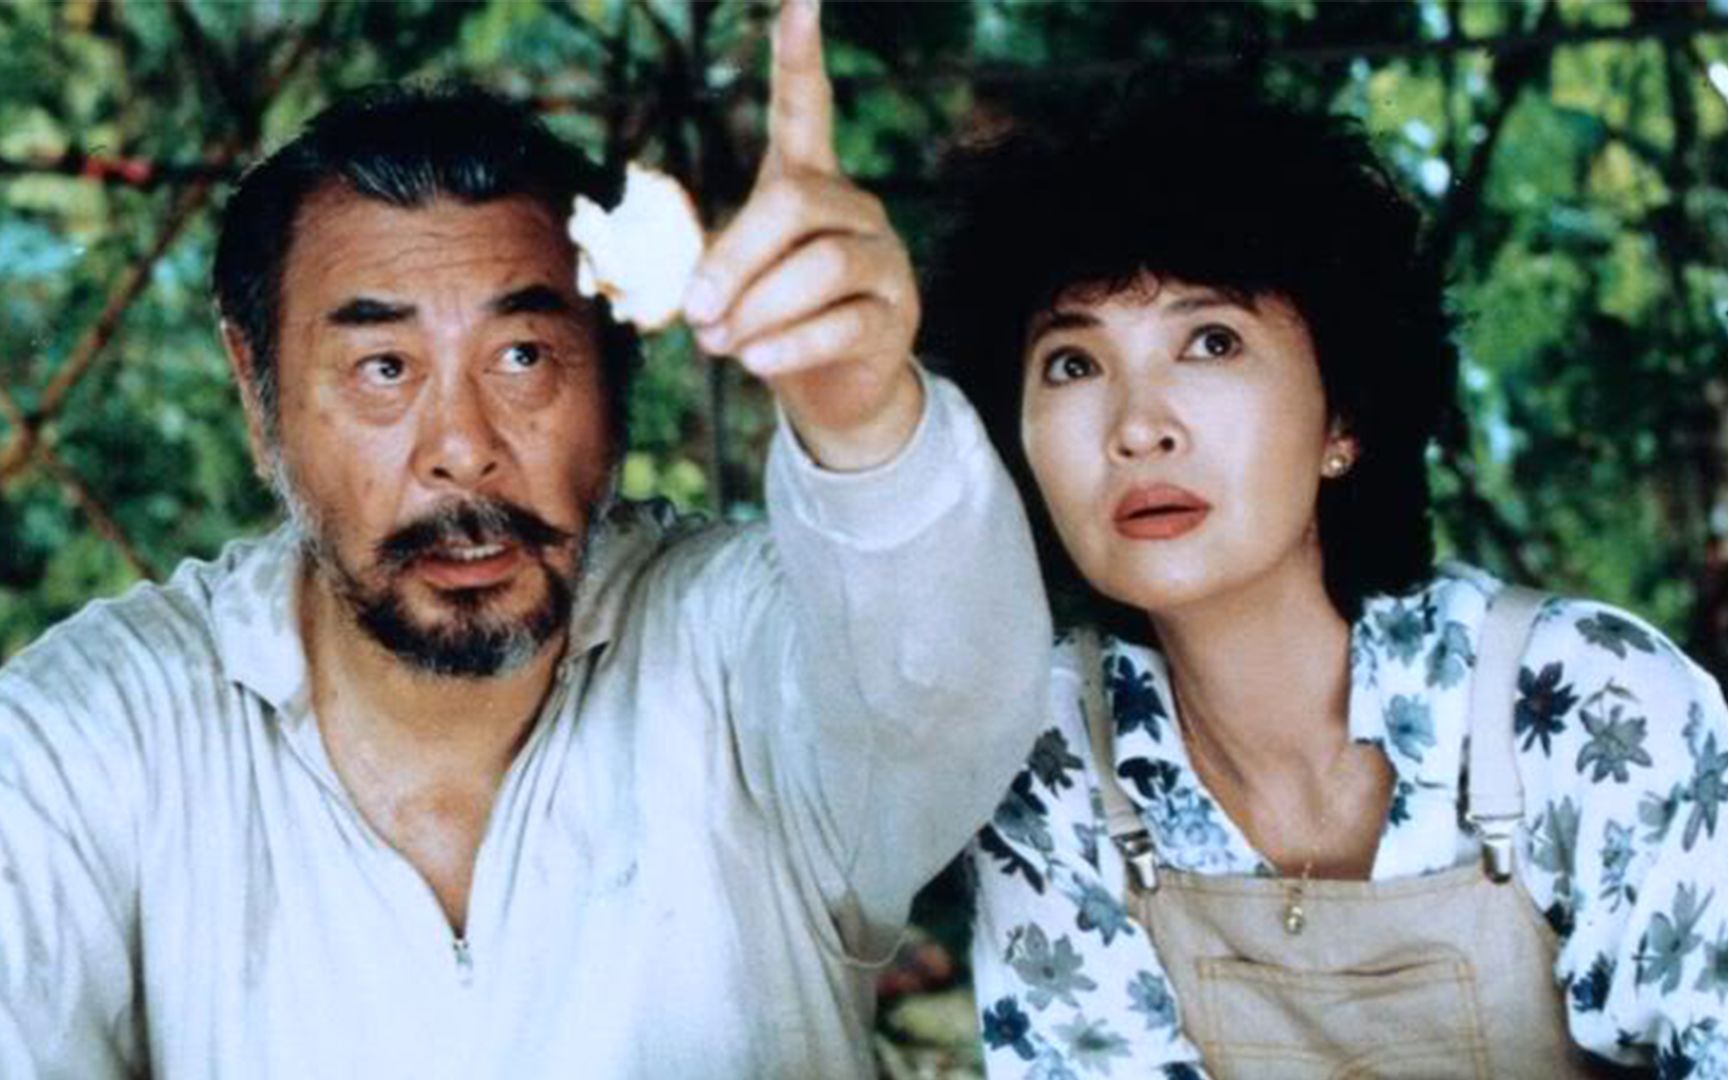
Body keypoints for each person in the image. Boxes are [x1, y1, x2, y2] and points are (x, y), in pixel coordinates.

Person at [0, 5, 1050, 1076]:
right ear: (255, 392)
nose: (463, 449)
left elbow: (935, 690)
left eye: (523, 358)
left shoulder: (739, 657)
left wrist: (863, 416)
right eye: (384, 369)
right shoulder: (103, 737)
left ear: (617, 376)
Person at [926, 80, 1728, 1077]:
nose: (1137, 427)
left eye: (1211, 341)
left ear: (1342, 417)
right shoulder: (1052, 758)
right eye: (1072, 365)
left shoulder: (1584, 704)